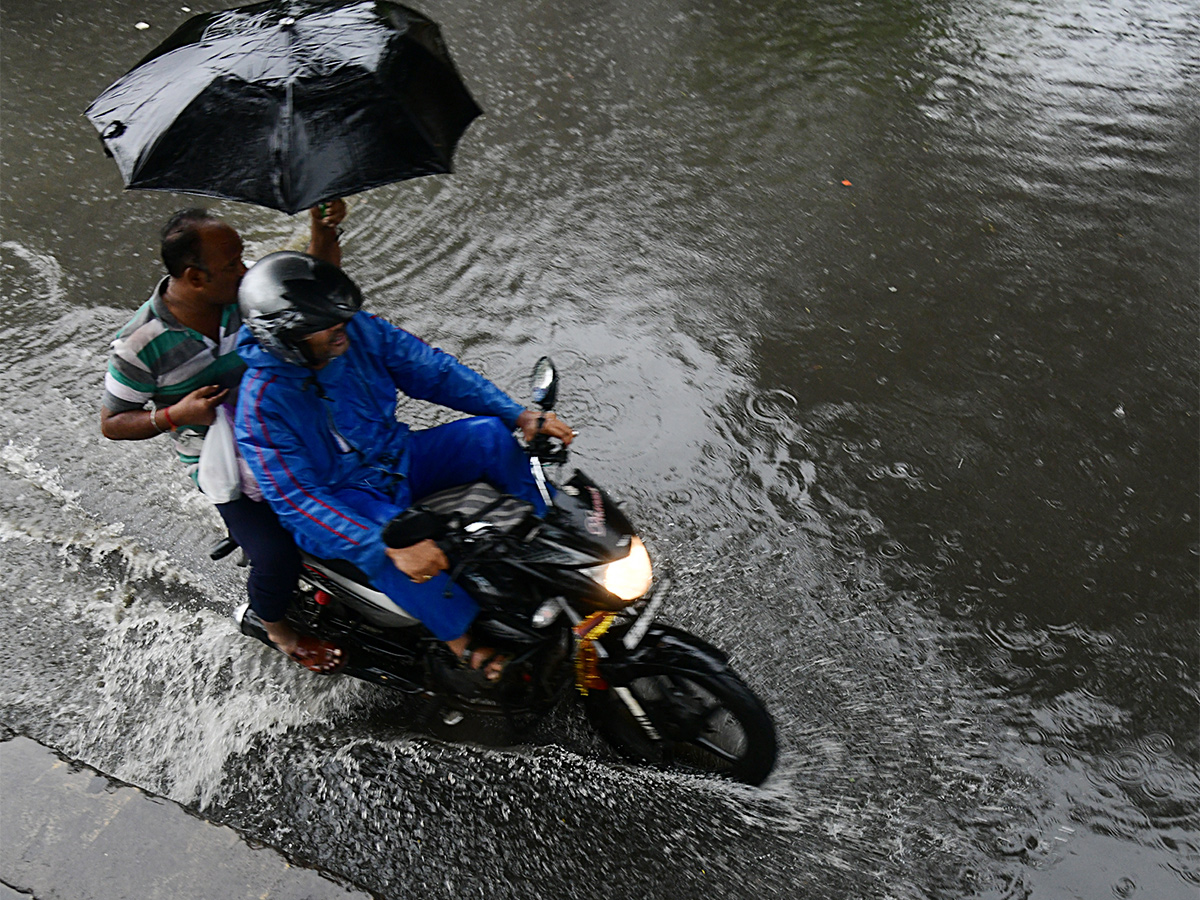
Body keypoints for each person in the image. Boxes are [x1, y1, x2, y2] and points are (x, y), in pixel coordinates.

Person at [233, 251, 575, 678]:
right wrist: (385, 544)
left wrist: (517, 415)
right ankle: (464, 645)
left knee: (488, 435)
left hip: (399, 456)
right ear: (286, 336)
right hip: (345, 496)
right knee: (397, 547)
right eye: (324, 325)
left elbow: (433, 371)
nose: (341, 329)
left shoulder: (359, 331)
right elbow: (299, 500)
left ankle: (556, 541)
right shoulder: (261, 405)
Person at [101, 203, 349, 673]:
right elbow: (113, 422)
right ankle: (274, 627)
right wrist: (177, 414)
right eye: (232, 263)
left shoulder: (248, 293)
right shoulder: (139, 345)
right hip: (229, 464)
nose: (245, 269)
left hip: (295, 431)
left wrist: (324, 230)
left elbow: (314, 290)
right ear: (195, 278)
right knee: (276, 557)